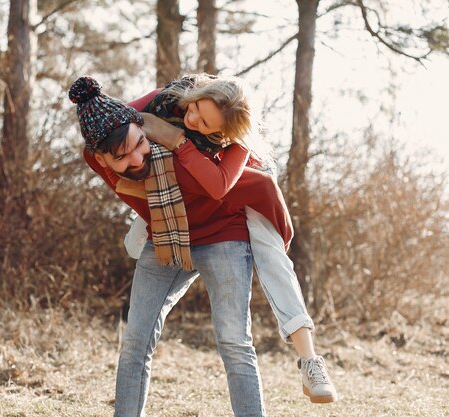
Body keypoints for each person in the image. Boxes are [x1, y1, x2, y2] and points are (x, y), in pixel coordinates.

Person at [124, 74, 338, 404]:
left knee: (238, 334)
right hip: (173, 218)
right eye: (195, 107)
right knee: (135, 333)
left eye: (204, 121)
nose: (191, 117)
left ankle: (310, 360)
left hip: (235, 219)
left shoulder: (239, 145)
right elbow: (120, 120)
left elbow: (219, 186)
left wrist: (177, 141)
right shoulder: (172, 99)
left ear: (221, 133)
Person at [69, 75, 271, 417]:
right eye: (121, 158)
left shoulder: (176, 116)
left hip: (224, 232)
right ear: (103, 159)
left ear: (139, 125)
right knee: (135, 342)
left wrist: (178, 140)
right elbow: (98, 156)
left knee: (234, 342)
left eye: (138, 144)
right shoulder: (105, 147)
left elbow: (227, 184)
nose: (136, 159)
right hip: (167, 237)